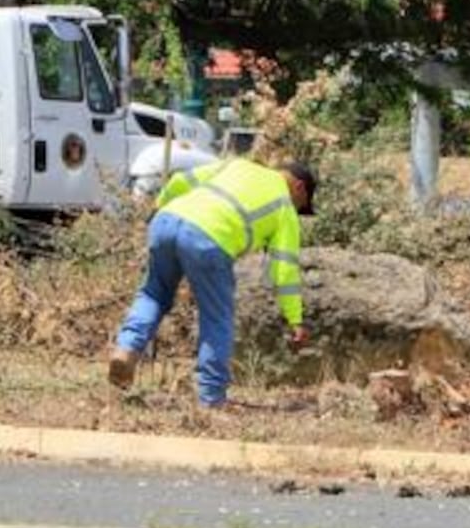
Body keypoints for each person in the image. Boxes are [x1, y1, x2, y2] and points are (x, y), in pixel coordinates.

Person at [106, 155, 315, 408]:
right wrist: (295, 320)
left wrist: (158, 208)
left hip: (167, 219)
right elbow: (285, 272)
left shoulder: (238, 165)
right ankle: (211, 398)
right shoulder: (284, 207)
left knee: (153, 294)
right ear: (299, 188)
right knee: (217, 318)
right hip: (209, 240)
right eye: (301, 205)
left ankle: (126, 349)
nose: (297, 210)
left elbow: (180, 180)